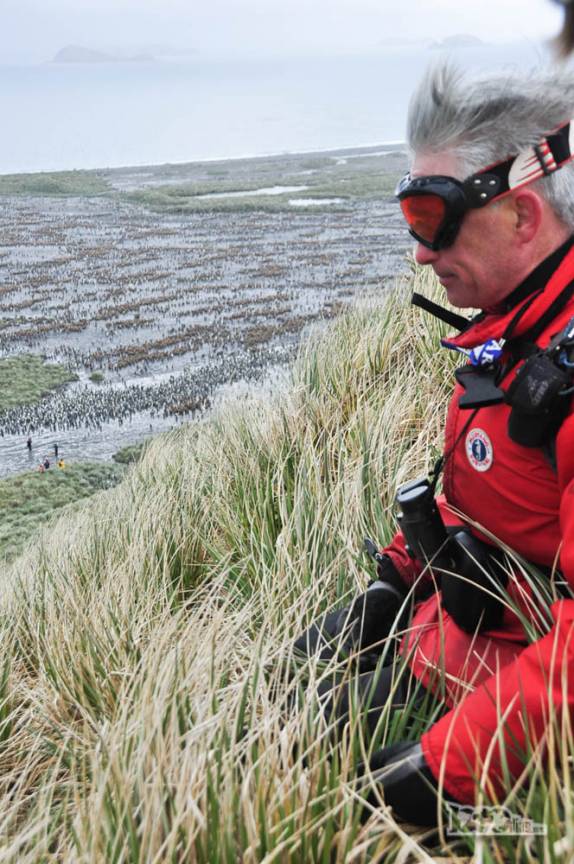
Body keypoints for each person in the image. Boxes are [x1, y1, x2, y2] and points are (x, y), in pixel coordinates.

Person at [294, 64, 574, 826]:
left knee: (327, 804)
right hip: (460, 644)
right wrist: (393, 580)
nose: (419, 255)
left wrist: (452, 771)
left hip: (520, 721)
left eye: (432, 217)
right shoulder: (520, 328)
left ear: (522, 215)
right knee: (290, 718)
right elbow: (496, 489)